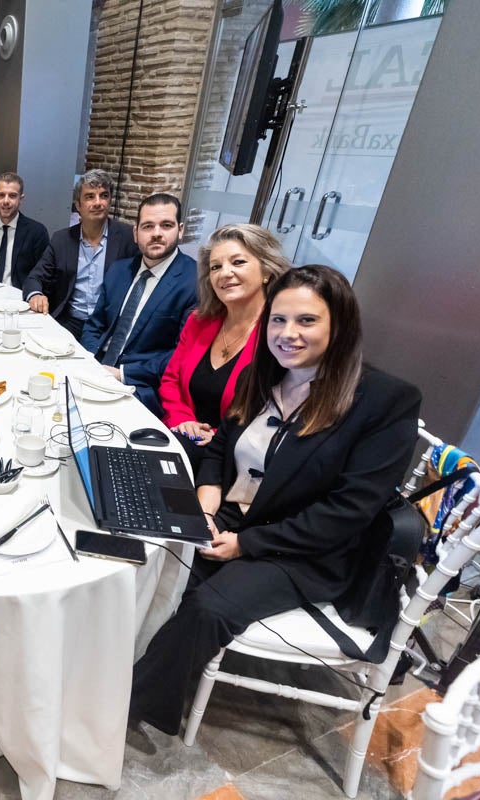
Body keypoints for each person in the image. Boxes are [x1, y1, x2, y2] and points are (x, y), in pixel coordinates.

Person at [128, 265, 422, 736]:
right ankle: (109, 664)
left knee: (208, 607)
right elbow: (221, 448)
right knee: (149, 557)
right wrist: (204, 508)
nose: (287, 334)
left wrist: (246, 545)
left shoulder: (385, 401)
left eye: (306, 320)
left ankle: (131, 705)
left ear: (339, 325)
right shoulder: (265, 375)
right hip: (232, 515)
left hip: (306, 549)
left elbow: (347, 512)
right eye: (278, 321)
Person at [159, 224, 290, 465]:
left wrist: (218, 438)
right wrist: (182, 420)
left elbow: (273, 415)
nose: (225, 273)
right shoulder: (199, 322)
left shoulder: (280, 335)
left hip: (237, 457)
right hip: (182, 437)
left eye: (238, 262)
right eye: (215, 267)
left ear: (266, 271)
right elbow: (171, 381)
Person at [79, 193, 197, 415]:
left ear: (180, 230)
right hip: (96, 368)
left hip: (141, 385)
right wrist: (88, 359)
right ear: (136, 233)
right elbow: (95, 324)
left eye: (166, 225)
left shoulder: (194, 282)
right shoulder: (119, 270)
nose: (156, 234)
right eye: (147, 226)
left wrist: (122, 373)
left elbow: (182, 355)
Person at [23, 170, 139, 338]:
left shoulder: (128, 237)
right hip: (70, 321)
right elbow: (35, 277)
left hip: (108, 325)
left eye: (104, 195)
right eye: (90, 197)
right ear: (78, 205)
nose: (98, 202)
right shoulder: (62, 239)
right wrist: (36, 295)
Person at [0, 172, 49, 289]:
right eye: (1, 195)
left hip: (20, 300)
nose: (6, 201)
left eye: (12, 195)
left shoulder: (36, 233)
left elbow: (43, 275)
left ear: (21, 199)